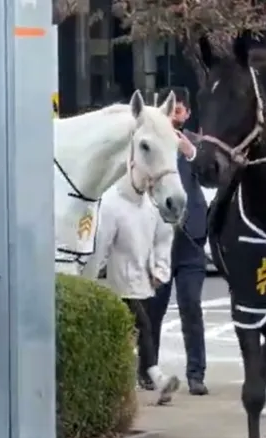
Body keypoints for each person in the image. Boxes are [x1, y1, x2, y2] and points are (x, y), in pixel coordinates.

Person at [81, 172, 180, 406]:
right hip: (122, 284)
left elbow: (163, 237)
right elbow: (101, 244)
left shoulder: (150, 204)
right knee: (143, 327)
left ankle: (126, 381)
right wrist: (88, 279)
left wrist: (160, 269)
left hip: (145, 282)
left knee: (135, 334)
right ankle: (157, 377)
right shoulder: (112, 204)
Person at [148, 87, 209, 396]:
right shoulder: (150, 144)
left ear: (188, 114)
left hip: (191, 239)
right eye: (170, 110)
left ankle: (196, 374)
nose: (175, 115)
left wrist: (191, 154)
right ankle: (148, 369)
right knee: (153, 307)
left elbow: (213, 175)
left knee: (191, 306)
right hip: (159, 238)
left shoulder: (196, 144)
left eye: (180, 111)